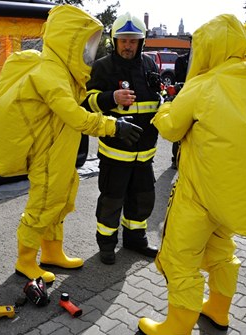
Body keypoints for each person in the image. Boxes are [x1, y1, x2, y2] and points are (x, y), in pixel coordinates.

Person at [138, 15, 246, 334]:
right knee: (221, 251)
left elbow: (172, 130)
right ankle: (218, 308)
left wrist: (164, 108)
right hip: (229, 195)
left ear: (209, 47)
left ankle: (178, 324)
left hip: (197, 192)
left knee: (179, 256)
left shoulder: (204, 84)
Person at [0, 4, 142, 284]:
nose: (90, 50)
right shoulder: (50, 73)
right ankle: (25, 261)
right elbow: (75, 116)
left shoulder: (63, 71)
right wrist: (113, 126)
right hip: (48, 156)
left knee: (61, 200)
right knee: (43, 204)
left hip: (60, 154)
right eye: (85, 42)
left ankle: (52, 252)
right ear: (68, 40)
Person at [82, 12, 161, 265]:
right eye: (123, 40)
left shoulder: (149, 65)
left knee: (143, 197)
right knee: (111, 200)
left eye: (133, 41)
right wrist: (111, 98)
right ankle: (106, 244)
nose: (128, 45)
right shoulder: (103, 67)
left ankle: (135, 239)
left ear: (141, 43)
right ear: (114, 41)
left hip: (145, 153)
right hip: (115, 153)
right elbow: (86, 103)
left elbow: (155, 101)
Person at [170, 52, 189, 169]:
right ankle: (175, 159)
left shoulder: (208, 60)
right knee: (179, 129)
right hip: (183, 97)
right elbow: (179, 78)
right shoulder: (182, 60)